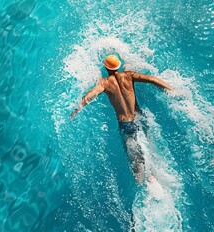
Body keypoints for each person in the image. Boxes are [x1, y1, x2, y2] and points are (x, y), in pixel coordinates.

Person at [70, 55, 174, 184]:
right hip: (140, 118)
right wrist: (172, 90)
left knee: (135, 157)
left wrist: (77, 109)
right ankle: (152, 175)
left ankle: (142, 181)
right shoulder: (129, 75)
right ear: (118, 66)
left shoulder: (104, 83)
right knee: (149, 147)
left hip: (126, 125)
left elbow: (91, 95)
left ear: (106, 68)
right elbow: (152, 79)